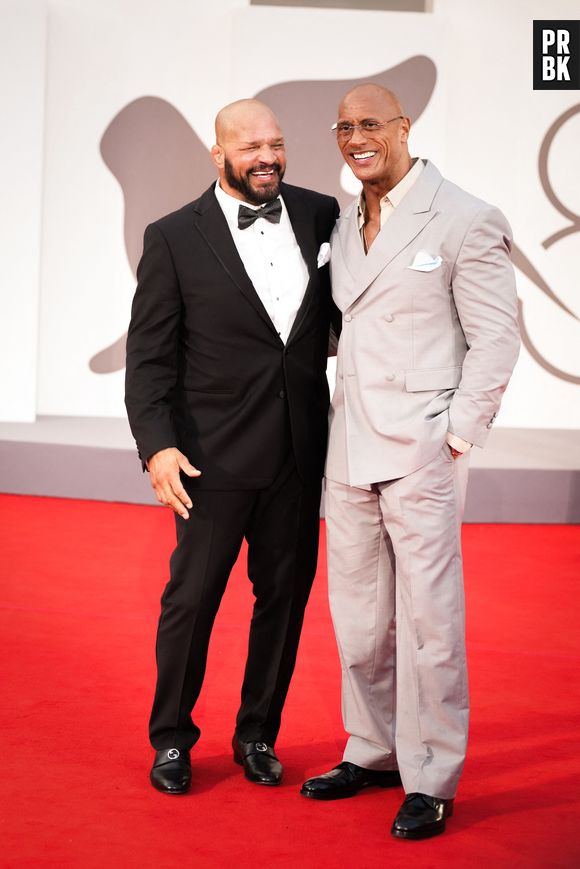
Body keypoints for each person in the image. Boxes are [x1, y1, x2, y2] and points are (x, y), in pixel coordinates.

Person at [300, 84, 520, 839]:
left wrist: (456, 436)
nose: (355, 137)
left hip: (421, 448)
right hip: (348, 447)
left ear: (403, 127)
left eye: (369, 124)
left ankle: (432, 775)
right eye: (343, 128)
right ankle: (374, 748)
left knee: (428, 625)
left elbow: (496, 338)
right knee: (359, 622)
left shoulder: (464, 215)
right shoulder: (342, 220)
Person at [125, 99, 339, 794]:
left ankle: (257, 733)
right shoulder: (173, 236)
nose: (267, 157)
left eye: (275, 143)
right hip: (207, 459)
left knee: (284, 598)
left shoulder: (320, 215)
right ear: (219, 155)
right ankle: (171, 739)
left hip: (300, 456)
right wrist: (157, 447)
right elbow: (150, 360)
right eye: (250, 147)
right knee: (191, 601)